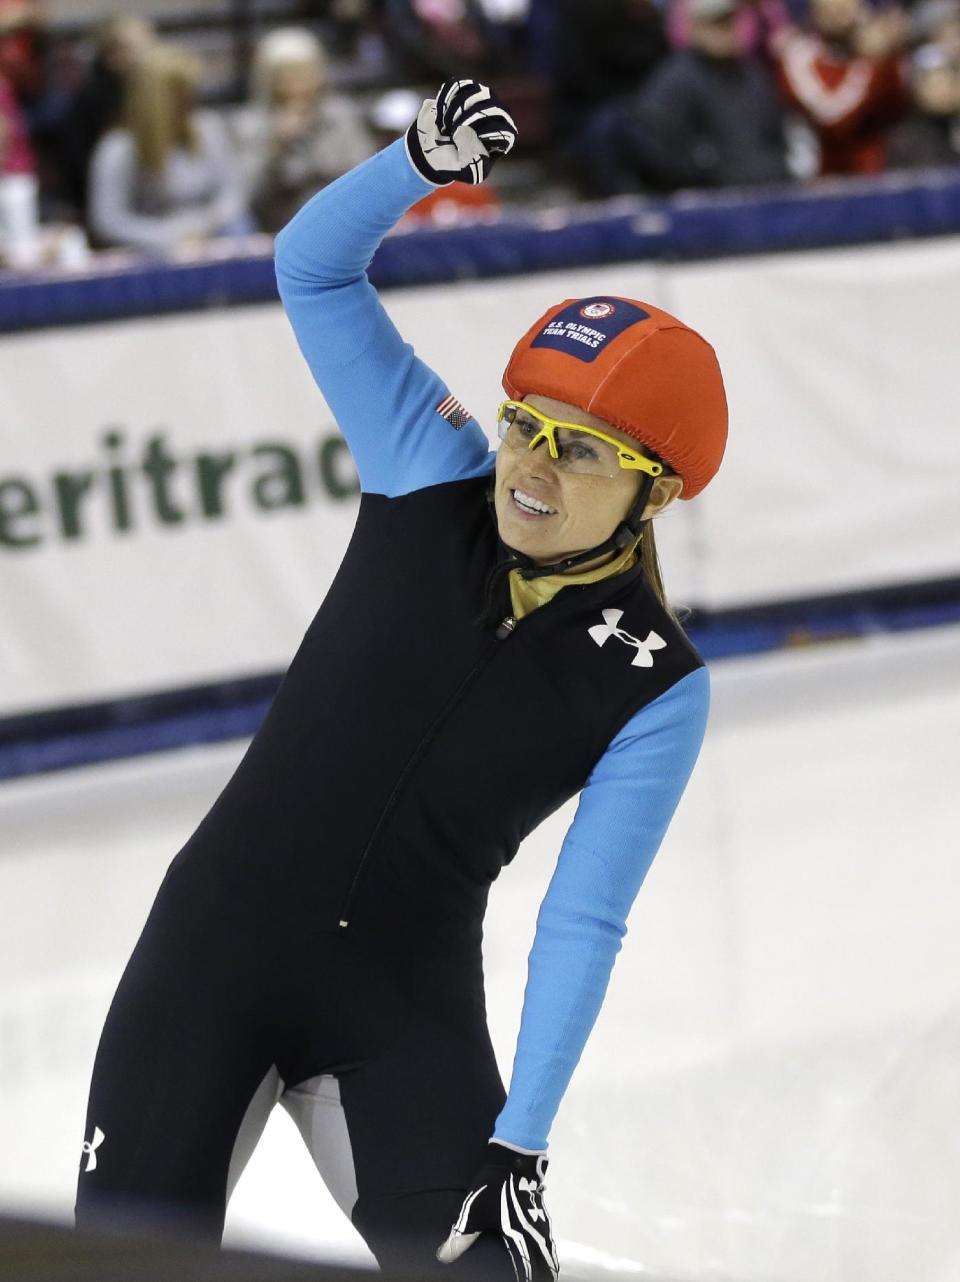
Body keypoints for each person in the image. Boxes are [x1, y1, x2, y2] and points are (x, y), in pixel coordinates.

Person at [75, 79, 727, 1279]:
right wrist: (412, 164)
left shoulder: (659, 687)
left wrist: (518, 1148)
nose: (530, 464)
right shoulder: (430, 470)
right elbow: (314, 270)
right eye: (525, 421)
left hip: (399, 1003)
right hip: (209, 956)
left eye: (581, 451)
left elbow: (583, 922)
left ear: (662, 488)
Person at [577, 0, 791, 195]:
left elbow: (777, 136)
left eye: (728, 20)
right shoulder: (676, 78)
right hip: (711, 203)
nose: (724, 30)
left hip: (769, 193)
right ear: (695, 27)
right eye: (715, 22)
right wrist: (705, 169)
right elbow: (655, 147)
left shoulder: (752, 75)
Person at [87, 43, 251, 255]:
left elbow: (232, 192)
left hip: (211, 236)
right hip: (150, 250)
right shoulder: (118, 148)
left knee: (241, 227)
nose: (190, 101)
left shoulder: (208, 128)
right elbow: (108, 220)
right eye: (181, 95)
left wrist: (206, 224)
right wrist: (171, 236)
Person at [231, 27, 375, 235]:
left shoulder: (340, 116)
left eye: (302, 73)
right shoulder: (251, 125)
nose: (294, 83)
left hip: (343, 222)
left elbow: (365, 176)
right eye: (284, 75)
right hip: (281, 229)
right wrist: (277, 147)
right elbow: (247, 197)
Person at [776, 0, 909, 175]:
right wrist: (873, 62)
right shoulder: (800, 57)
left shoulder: (880, 51)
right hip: (830, 182)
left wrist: (893, 48)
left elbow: (900, 104)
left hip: (885, 174)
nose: (839, 8)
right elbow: (834, 121)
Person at [57, 15, 156, 221]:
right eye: (137, 48)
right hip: (102, 206)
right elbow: (79, 167)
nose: (147, 56)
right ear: (112, 54)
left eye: (149, 46)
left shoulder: (150, 91)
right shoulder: (92, 98)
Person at [887, 41, 960, 167]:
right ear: (916, 91)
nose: (944, 90)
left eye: (949, 81)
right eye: (934, 84)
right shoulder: (905, 140)